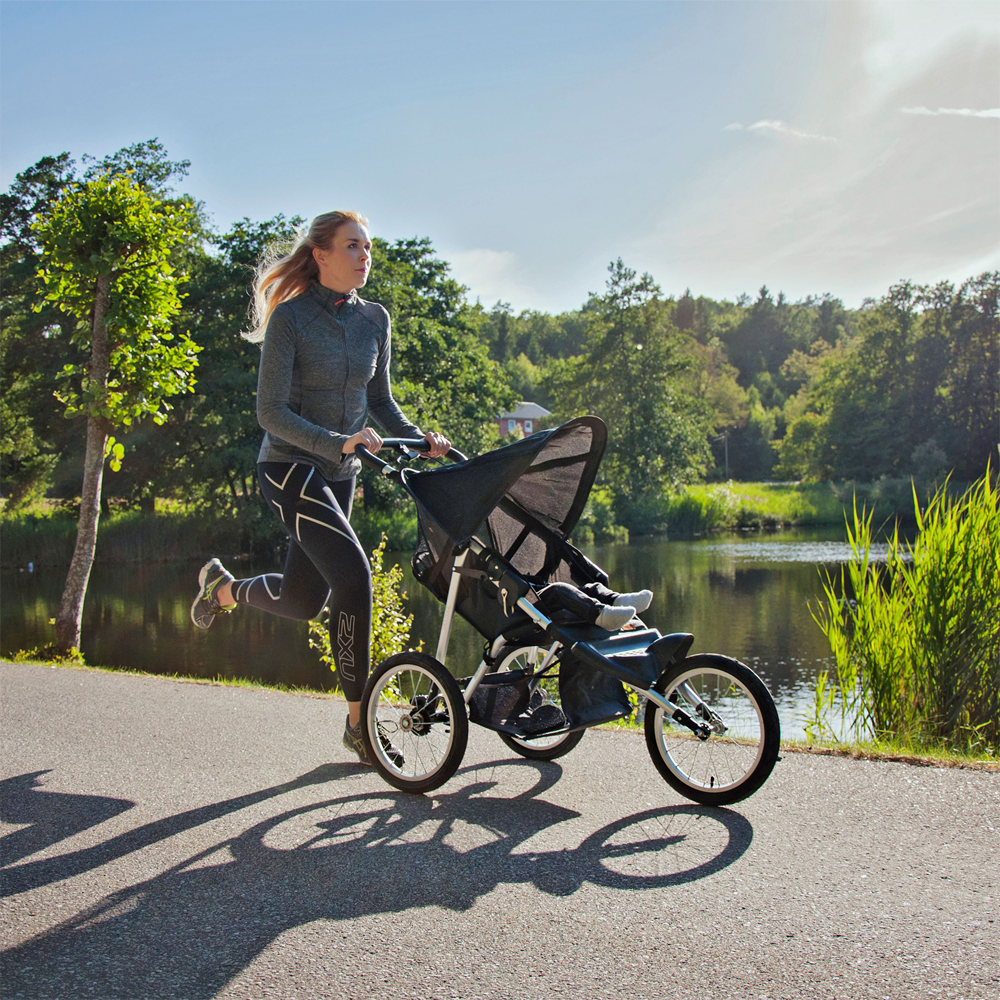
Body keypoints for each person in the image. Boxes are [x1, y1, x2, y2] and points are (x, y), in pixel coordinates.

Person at [189, 210, 449, 765]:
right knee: (354, 577)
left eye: (368, 247)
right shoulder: (291, 320)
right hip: (288, 468)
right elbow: (269, 413)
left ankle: (223, 590)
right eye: (352, 246)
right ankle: (360, 727)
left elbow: (380, 404)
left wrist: (420, 439)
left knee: (303, 600)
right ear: (321, 254)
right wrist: (339, 441)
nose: (364, 256)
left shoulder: (375, 318)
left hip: (339, 474)